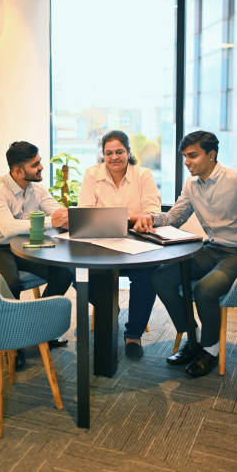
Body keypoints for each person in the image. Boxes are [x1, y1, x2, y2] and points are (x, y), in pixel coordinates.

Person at [134, 130, 237, 377]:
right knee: (161, 278)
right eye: (185, 156)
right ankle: (193, 337)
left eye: (193, 155)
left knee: (204, 289)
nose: (187, 162)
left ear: (212, 154)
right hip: (211, 248)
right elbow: (175, 217)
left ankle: (210, 350)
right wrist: (150, 217)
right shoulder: (192, 184)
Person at [0, 141, 73, 366]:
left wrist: (65, 216)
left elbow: (56, 211)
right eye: (35, 164)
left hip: (23, 244)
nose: (41, 167)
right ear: (18, 171)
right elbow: (8, 228)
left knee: (64, 273)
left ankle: (40, 331)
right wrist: (52, 221)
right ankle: (14, 344)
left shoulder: (37, 187)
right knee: (10, 282)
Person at [78, 130, 161, 360]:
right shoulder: (92, 175)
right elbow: (84, 212)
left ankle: (133, 335)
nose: (114, 157)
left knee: (147, 275)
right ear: (103, 154)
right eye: (109, 153)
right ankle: (108, 308)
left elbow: (153, 211)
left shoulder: (143, 175)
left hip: (135, 243)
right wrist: (133, 217)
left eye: (119, 152)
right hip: (100, 242)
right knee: (79, 272)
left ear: (128, 152)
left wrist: (115, 216)